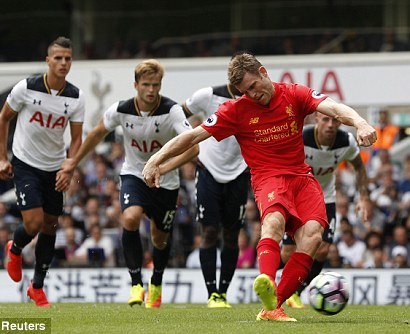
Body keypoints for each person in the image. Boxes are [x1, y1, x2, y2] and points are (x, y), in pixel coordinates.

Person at [142, 52, 377, 322]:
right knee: (273, 222)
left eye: (253, 86)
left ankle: (272, 304)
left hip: (302, 177)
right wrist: (155, 160)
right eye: (245, 91)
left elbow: (334, 108)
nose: (252, 94)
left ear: (263, 72)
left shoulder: (294, 94)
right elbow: (193, 136)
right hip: (268, 178)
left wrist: (360, 123)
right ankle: (266, 279)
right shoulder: (236, 109)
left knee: (314, 237)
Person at [59, 59, 198, 308]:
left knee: (159, 239)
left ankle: (156, 283)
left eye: (156, 84)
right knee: (130, 218)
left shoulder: (172, 110)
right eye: (146, 84)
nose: (151, 90)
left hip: (165, 181)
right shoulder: (121, 110)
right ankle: (136, 285)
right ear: (135, 85)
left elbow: (193, 148)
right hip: (134, 174)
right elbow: (96, 133)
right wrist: (73, 161)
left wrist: (161, 167)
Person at [0, 37, 85, 308]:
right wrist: (2, 158)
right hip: (25, 164)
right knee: (33, 224)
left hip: (55, 167)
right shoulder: (26, 88)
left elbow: (77, 139)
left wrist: (69, 167)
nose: (63, 63)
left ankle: (37, 287)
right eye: (58, 58)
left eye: (67, 58)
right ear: (47, 60)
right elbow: (3, 119)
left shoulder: (76, 96)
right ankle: (14, 248)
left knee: (50, 225)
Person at [280, 112, 369, 308]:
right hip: (297, 196)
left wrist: (363, 197)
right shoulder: (301, 137)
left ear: (340, 122)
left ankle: (296, 292)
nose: (330, 124)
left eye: (335, 120)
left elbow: (359, 168)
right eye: (326, 119)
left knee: (322, 250)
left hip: (324, 197)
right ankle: (270, 276)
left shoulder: (346, 142)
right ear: (317, 119)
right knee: (288, 251)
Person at [182, 82, 249, 308]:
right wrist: (190, 149)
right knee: (209, 232)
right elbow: (176, 114)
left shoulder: (256, 98)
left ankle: (223, 293)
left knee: (231, 235)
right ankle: (212, 293)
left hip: (239, 171)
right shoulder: (208, 95)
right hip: (208, 169)